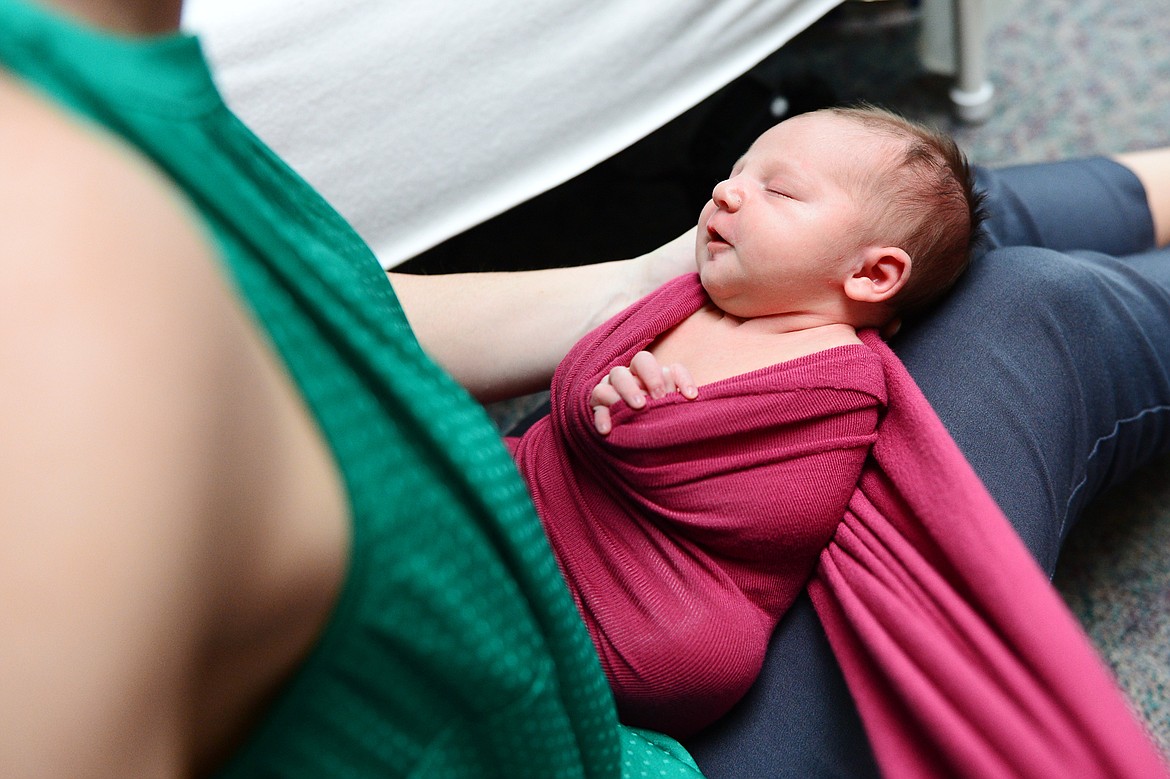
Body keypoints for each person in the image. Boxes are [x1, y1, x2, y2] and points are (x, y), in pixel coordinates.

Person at [1, 0, 1169, 776]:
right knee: (1018, 303)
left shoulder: (91, 76)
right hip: (625, 727)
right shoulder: (77, 315)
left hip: (594, 597)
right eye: (737, 179)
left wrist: (657, 274)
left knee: (918, 216)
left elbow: (334, 306)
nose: (727, 194)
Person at [507, 106, 985, 738]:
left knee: (691, 654)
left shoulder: (837, 378)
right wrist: (602, 392)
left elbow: (775, 513)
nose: (723, 193)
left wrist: (648, 434)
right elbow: (581, 383)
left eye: (777, 188)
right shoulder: (685, 301)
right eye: (737, 173)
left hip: (652, 601)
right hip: (543, 490)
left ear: (872, 274)